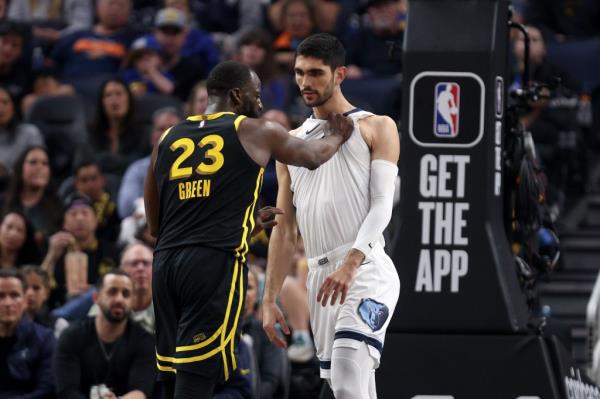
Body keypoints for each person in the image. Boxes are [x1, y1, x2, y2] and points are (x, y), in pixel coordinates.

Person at [144, 60, 353, 399]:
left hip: (165, 265)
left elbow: (155, 225)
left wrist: (243, 221)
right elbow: (314, 157)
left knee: (170, 376)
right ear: (237, 94)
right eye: (257, 96)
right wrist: (336, 134)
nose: (261, 104)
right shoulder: (256, 129)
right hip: (212, 266)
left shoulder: (167, 137)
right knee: (197, 377)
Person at [262, 33, 400, 399]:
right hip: (320, 279)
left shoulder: (377, 126)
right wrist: (269, 297)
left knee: (347, 382)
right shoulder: (289, 142)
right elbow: (285, 229)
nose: (305, 83)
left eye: (316, 73)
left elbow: (382, 204)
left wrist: (352, 263)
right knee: (351, 389)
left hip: (365, 268)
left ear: (340, 74)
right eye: (299, 73)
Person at [53, 269, 155, 398]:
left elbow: (141, 391)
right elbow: (66, 391)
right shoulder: (71, 336)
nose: (119, 299)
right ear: (96, 297)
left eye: (126, 294)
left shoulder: (144, 340)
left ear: (132, 301)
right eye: (112, 292)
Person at [0, 267, 55, 398]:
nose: (8, 303)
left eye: (14, 295)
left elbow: (47, 390)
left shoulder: (45, 339)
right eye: (0, 296)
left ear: (25, 301)